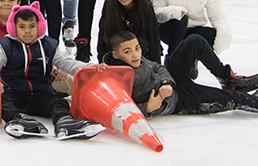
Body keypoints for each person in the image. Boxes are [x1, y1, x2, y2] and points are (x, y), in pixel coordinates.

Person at [0, 3, 103, 140]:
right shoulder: (7, 46)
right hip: (15, 95)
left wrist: (90, 67)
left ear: (39, 27)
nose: (27, 31)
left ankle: (65, 122)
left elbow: (67, 63)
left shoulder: (48, 46)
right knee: (0, 102)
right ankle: (20, 120)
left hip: (41, 95)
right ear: (14, 27)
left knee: (59, 102)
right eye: (22, 27)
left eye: (32, 26)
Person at [105, 31, 258, 118]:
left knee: (195, 40)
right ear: (116, 55)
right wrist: (147, 108)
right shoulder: (118, 77)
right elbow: (117, 109)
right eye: (127, 51)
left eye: (137, 48)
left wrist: (166, 82)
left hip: (173, 78)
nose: (135, 54)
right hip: (179, 100)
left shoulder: (136, 59)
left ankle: (228, 79)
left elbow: (158, 67)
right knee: (230, 98)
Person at [97, 0, 161, 63]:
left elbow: (153, 37)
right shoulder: (109, 4)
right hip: (117, 46)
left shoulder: (145, 6)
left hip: (139, 47)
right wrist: (102, 62)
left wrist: (156, 67)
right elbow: (103, 34)